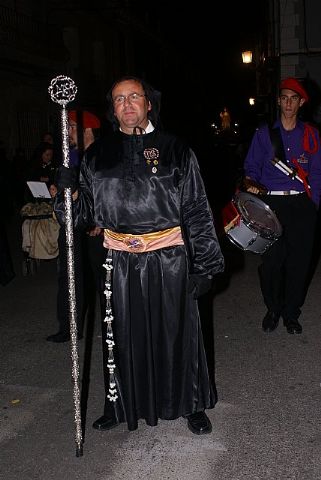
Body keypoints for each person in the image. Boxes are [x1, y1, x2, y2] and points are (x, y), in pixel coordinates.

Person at [54, 75, 224, 435]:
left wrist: (205, 265)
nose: (127, 104)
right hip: (119, 262)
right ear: (113, 109)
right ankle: (119, 405)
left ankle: (190, 403)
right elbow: (81, 216)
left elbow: (196, 209)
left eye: (134, 97)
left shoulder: (176, 149)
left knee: (178, 333)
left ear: (149, 104)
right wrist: (68, 193)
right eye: (119, 99)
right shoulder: (97, 155)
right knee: (121, 337)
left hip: (170, 259)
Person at [243, 77, 321, 335]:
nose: (289, 103)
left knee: (300, 262)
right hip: (271, 203)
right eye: (284, 97)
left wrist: (314, 204)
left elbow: (318, 172)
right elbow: (251, 168)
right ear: (278, 101)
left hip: (301, 203)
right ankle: (273, 308)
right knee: (272, 262)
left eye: (294, 98)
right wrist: (252, 183)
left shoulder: (311, 134)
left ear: (301, 103)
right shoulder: (264, 134)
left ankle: (290, 314)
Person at [46, 109, 103, 343]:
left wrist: (100, 218)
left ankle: (118, 325)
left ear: (86, 129)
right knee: (69, 276)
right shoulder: (72, 156)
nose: (66, 131)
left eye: (70, 127)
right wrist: (57, 192)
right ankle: (69, 327)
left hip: (95, 226)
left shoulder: (102, 156)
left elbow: (107, 192)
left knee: (103, 277)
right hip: (72, 224)